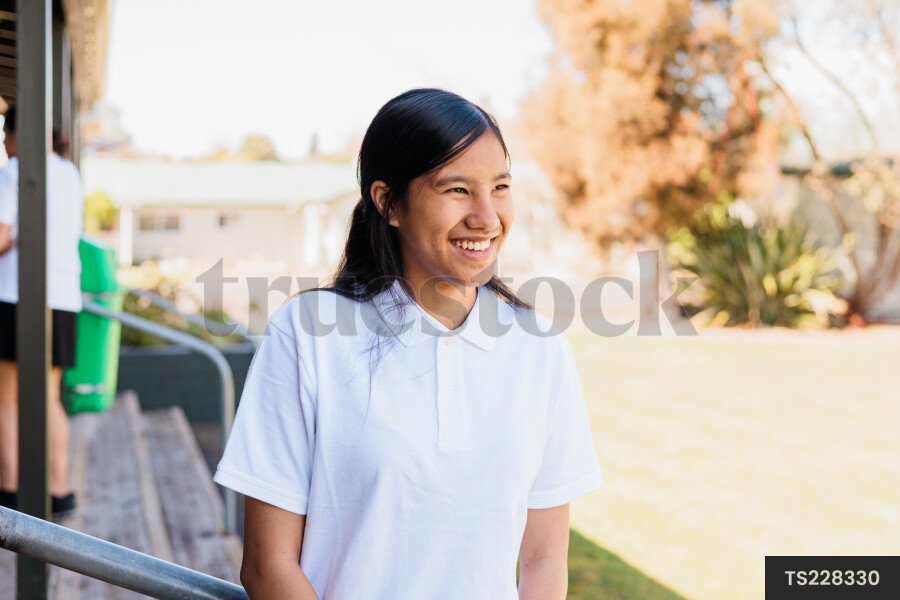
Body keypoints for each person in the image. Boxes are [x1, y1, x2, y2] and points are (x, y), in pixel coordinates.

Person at [213, 88, 603, 599]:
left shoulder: (539, 348)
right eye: (457, 190)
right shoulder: (306, 334)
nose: (487, 217)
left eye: (500, 186)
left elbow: (544, 558)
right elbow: (268, 567)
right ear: (388, 202)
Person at [0, 106, 84, 517]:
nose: (2, 141)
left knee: (7, 400)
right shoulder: (69, 173)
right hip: (63, 296)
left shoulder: (13, 171)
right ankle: (60, 490)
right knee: (49, 397)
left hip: (19, 294)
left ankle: (10, 493)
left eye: (5, 132)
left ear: (20, 133)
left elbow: (2, 236)